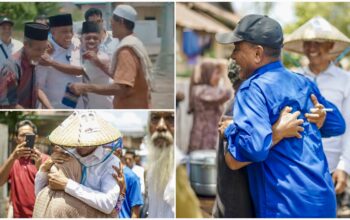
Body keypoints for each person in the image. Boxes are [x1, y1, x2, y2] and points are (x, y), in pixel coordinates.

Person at [216, 14, 346, 217]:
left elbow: (243, 154)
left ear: (257, 54)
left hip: (285, 205)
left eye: (237, 48)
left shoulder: (253, 89)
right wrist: (321, 117)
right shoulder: (302, 82)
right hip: (323, 202)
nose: (232, 56)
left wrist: (231, 130)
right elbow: (337, 124)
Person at [284, 16, 350, 215]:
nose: (311, 47)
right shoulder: (294, 79)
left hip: (332, 167)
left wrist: (344, 167)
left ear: (330, 45)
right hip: (299, 167)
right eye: (308, 43)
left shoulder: (345, 80)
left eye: (318, 43)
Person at [34, 111, 122, 216]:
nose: (82, 143)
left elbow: (108, 204)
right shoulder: (66, 156)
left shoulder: (111, 162)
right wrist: (44, 169)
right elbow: (41, 195)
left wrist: (67, 185)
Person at [70, 4, 152, 109]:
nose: (110, 25)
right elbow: (118, 75)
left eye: (112, 22)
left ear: (121, 22)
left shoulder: (126, 51)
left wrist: (86, 88)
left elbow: (120, 89)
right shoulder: (133, 42)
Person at [0, 120, 48, 217]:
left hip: (40, 215)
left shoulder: (46, 160)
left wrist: (41, 169)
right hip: (18, 215)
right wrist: (13, 157)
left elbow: (53, 187)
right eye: (22, 135)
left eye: (29, 135)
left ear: (36, 138)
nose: (26, 138)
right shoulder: (13, 161)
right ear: (17, 139)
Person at [36, 14, 83, 109]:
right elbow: (37, 88)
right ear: (53, 32)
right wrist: (50, 109)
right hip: (56, 108)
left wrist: (52, 63)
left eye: (71, 31)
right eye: (64, 32)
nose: (69, 35)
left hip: (81, 108)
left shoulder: (78, 44)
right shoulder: (45, 52)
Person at [0, 22, 51, 109]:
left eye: (44, 49)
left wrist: (49, 107)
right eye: (38, 50)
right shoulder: (12, 67)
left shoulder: (33, 61)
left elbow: (35, 88)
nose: (42, 54)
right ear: (26, 44)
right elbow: (8, 104)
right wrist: (31, 115)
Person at [188, 59, 231, 152]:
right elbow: (227, 93)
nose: (219, 77)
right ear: (207, 73)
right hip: (202, 144)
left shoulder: (210, 89)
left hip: (211, 141)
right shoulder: (200, 91)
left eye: (220, 74)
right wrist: (224, 72)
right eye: (216, 73)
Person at [147, 111, 174, 218]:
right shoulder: (151, 171)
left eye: (171, 119)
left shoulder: (182, 169)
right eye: (155, 118)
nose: (161, 126)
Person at [80, 21, 113, 109]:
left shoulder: (103, 57)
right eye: (88, 38)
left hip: (106, 107)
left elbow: (80, 71)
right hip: (89, 108)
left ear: (100, 40)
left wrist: (52, 63)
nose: (91, 41)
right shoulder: (78, 56)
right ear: (81, 39)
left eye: (95, 38)